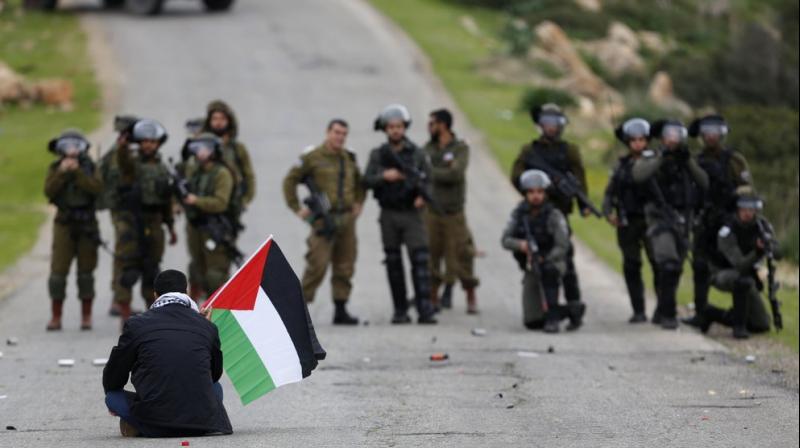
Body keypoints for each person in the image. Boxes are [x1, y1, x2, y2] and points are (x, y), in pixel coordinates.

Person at [103, 269, 232, 438]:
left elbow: (113, 378)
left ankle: (140, 425)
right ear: (185, 293)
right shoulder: (206, 326)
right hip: (201, 423)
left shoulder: (137, 325)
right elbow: (214, 375)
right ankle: (186, 425)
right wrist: (206, 327)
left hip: (155, 421)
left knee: (113, 397)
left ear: (155, 295)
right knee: (216, 388)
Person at [282, 119, 365, 325]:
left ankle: (341, 308)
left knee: (345, 265)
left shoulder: (349, 158)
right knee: (316, 265)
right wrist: (297, 208)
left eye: (343, 134)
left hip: (346, 219)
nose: (340, 137)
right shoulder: (312, 157)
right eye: (336, 132)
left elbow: (360, 183)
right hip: (322, 221)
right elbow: (290, 180)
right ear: (328, 132)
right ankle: (300, 312)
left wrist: (358, 202)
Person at [510, 103, 588, 314]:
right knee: (531, 260)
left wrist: (583, 204)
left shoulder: (570, 150)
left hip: (559, 212)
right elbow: (516, 176)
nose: (551, 128)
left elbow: (579, 181)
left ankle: (574, 306)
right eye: (547, 123)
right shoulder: (530, 150)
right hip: (534, 213)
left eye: (555, 124)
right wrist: (535, 191)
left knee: (565, 260)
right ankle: (539, 308)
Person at [363, 104, 437, 324]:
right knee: (393, 263)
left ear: (405, 127)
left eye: (399, 126)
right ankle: (400, 309)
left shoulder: (417, 154)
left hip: (412, 213)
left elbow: (429, 180)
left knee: (421, 261)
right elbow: (366, 179)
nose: (395, 130)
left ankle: (425, 309)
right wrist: (385, 176)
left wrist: (423, 197)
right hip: (389, 213)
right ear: (385, 129)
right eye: (391, 127)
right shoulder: (378, 155)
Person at [632, 119, 708, 329]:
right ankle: (668, 313)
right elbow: (639, 174)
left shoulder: (688, 159)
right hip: (659, 218)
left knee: (677, 267)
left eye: (677, 134)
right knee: (668, 263)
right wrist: (662, 156)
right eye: (669, 135)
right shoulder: (652, 156)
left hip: (684, 219)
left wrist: (688, 161)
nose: (673, 139)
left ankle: (661, 309)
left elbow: (704, 182)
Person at [684, 114, 754, 328]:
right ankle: (701, 313)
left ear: (722, 133)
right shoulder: (694, 160)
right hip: (703, 221)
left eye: (716, 131)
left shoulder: (735, 160)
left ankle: (741, 319)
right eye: (707, 131)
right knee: (699, 266)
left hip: (728, 221)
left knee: (738, 266)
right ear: (702, 135)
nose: (712, 136)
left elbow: (748, 190)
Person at [501, 170, 584, 332]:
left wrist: (546, 258)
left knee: (549, 271)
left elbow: (563, 244)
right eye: (531, 192)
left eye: (539, 192)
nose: (535, 196)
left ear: (545, 193)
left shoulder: (554, 214)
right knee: (532, 322)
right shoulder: (519, 214)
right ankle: (573, 310)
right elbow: (505, 240)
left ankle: (553, 318)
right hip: (532, 264)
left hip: (554, 261)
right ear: (525, 194)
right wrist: (522, 245)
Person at [111, 119, 177, 322]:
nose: (147, 144)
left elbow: (166, 201)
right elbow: (123, 163)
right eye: (144, 141)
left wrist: (171, 226)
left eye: (152, 141)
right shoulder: (132, 164)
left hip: (155, 223)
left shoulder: (163, 169)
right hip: (132, 224)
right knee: (127, 268)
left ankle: (152, 318)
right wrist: (122, 146)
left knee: (152, 269)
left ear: (158, 143)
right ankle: (124, 317)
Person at [44, 130, 104, 331]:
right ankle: (56, 316)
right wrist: (62, 173)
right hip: (64, 224)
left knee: (86, 272)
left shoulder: (90, 168)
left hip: (87, 224)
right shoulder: (55, 168)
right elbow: (49, 191)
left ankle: (86, 316)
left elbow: (96, 189)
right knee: (58, 273)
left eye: (75, 146)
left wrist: (77, 172)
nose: (71, 150)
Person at [423, 109, 480, 314]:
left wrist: (431, 171)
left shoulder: (460, 148)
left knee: (463, 252)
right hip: (432, 211)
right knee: (432, 253)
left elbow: (455, 174)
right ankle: (433, 295)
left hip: (454, 212)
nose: (429, 127)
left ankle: (470, 293)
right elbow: (422, 171)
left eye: (433, 123)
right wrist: (439, 171)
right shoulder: (428, 148)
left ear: (443, 125)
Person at [603, 118, 658, 323]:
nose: (637, 144)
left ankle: (663, 309)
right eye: (633, 140)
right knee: (631, 264)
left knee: (658, 263)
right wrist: (608, 212)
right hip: (627, 221)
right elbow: (610, 192)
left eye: (642, 139)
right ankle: (638, 310)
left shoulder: (655, 162)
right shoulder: (621, 165)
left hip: (651, 221)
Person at [700, 189, 775, 339]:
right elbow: (739, 264)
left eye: (751, 209)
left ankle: (712, 313)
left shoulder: (761, 225)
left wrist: (769, 243)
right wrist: (757, 251)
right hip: (721, 273)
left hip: (746, 276)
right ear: (738, 209)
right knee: (743, 280)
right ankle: (738, 328)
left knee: (761, 324)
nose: (748, 213)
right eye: (744, 209)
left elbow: (778, 252)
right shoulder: (727, 230)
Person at [181, 133, 235, 301]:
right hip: (196, 226)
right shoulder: (196, 171)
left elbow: (220, 203)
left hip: (215, 227)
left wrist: (197, 201)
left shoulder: (222, 174)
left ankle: (219, 312)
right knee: (196, 268)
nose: (200, 153)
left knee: (215, 274)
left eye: (205, 149)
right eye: (198, 149)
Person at [202, 100, 255, 227]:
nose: (218, 122)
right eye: (214, 118)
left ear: (229, 121)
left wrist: (245, 200)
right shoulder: (200, 146)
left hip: (230, 207)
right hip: (203, 206)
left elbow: (249, 176)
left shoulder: (237, 148)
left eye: (222, 119)